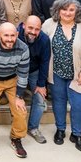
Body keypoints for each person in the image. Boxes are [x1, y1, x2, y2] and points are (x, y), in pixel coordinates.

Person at [41, 0, 81, 153]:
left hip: (79, 74)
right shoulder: (48, 25)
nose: (67, 13)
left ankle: (77, 134)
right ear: (58, 11)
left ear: (77, 11)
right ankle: (60, 129)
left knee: (79, 105)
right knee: (58, 102)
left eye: (71, 10)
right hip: (55, 73)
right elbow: (41, 47)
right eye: (64, 9)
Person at [0, 22, 30, 158]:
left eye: (12, 35)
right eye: (6, 35)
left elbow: (23, 74)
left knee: (20, 110)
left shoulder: (23, 48)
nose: (10, 39)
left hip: (12, 79)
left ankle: (16, 138)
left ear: (17, 35)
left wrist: (19, 97)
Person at [18, 16, 50, 145]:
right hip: (17, 71)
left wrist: (41, 84)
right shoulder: (14, 35)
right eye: (30, 28)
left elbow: (45, 62)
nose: (33, 32)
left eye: (37, 29)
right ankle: (17, 127)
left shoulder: (44, 39)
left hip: (34, 70)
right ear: (24, 25)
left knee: (40, 98)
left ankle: (33, 128)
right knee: (16, 99)